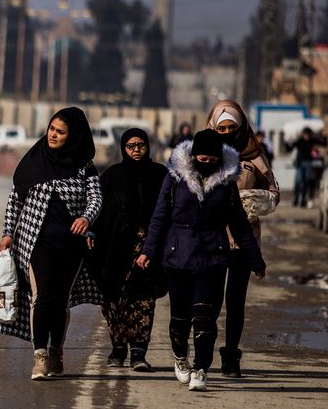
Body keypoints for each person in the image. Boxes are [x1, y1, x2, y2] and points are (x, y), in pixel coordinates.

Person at [136, 130, 266, 392]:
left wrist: (255, 259)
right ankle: (180, 357)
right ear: (193, 154)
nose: (206, 160)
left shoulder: (227, 183)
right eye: (201, 155)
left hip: (213, 256)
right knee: (180, 319)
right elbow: (160, 217)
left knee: (205, 318)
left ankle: (201, 368)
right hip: (178, 255)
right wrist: (148, 251)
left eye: (211, 156)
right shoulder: (175, 178)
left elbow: (239, 224)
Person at [0, 107, 104, 380]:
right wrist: (8, 232)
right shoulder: (34, 160)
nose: (53, 135)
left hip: (71, 245)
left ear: (74, 135)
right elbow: (15, 200)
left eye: (60, 132)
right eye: (51, 129)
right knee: (41, 297)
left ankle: (57, 350)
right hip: (36, 242)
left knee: (60, 301)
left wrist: (86, 218)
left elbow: (95, 199)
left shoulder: (84, 166)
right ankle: (40, 355)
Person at [206, 100, 280, 377]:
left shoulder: (255, 158)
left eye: (231, 128)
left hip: (243, 239)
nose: (226, 133)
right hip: (211, 238)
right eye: (221, 128)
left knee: (235, 300)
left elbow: (273, 194)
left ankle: (231, 357)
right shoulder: (203, 155)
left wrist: (245, 202)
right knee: (210, 299)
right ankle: (204, 351)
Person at [88, 128, 168, 371]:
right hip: (115, 249)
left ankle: (138, 352)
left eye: (140, 145)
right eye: (130, 145)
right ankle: (118, 348)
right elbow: (98, 208)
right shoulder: (112, 175)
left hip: (149, 247)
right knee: (114, 300)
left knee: (143, 300)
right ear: (123, 148)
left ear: (148, 146)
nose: (135, 150)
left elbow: (168, 210)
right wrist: (91, 231)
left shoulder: (160, 174)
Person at [291, 127, 318, 207]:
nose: (307, 136)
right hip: (300, 163)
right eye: (305, 134)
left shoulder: (312, 141)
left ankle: (303, 200)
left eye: (308, 135)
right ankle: (296, 199)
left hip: (308, 163)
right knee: (299, 182)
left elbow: (323, 142)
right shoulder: (299, 141)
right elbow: (290, 147)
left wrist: (325, 136)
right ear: (303, 134)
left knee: (306, 182)